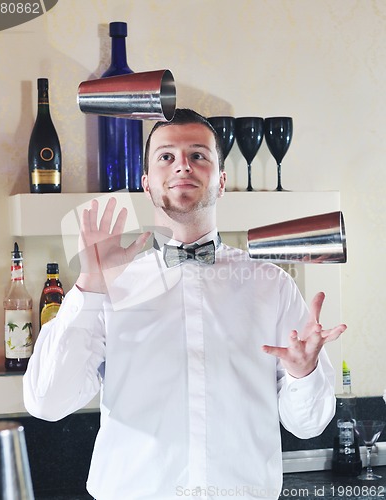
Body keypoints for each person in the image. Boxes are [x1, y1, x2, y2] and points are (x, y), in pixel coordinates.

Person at [23, 109, 346, 500]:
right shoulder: (110, 287)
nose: (182, 167)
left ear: (222, 181)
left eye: (198, 155)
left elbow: (309, 426)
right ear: (146, 183)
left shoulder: (272, 285)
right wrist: (90, 285)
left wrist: (304, 373)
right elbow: (47, 401)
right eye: (166, 157)